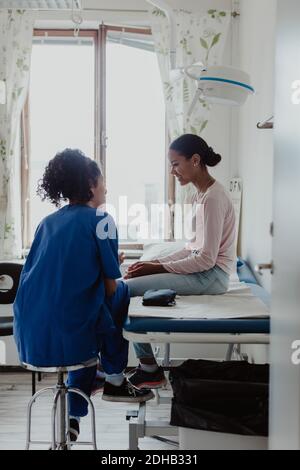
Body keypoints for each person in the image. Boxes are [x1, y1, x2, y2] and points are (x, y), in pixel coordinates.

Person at [13, 149, 153, 442]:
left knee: (88, 316)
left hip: (29, 337)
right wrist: (110, 266)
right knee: (115, 298)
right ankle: (115, 376)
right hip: (72, 336)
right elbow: (112, 286)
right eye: (103, 182)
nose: (106, 188)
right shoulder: (102, 220)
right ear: (91, 183)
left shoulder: (46, 223)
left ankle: (74, 416)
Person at [125, 134, 236, 390]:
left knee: (125, 290)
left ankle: (148, 369)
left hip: (213, 276)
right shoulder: (199, 196)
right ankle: (146, 366)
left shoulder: (213, 199)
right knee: (132, 279)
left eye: (175, 164)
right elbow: (191, 248)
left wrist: (157, 267)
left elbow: (206, 259)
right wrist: (154, 261)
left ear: (195, 160)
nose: (172, 171)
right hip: (205, 270)